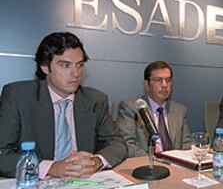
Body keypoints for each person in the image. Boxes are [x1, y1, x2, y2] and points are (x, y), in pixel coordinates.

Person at [0, 32, 128, 178]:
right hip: (36, 186)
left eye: (79, 65)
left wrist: (96, 162)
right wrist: (52, 168)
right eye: (65, 65)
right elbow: (2, 154)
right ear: (45, 67)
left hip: (83, 184)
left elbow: (117, 143)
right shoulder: (18, 97)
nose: (75, 74)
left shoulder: (95, 100)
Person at [116, 61, 192, 156]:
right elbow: (127, 144)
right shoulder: (131, 108)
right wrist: (153, 162)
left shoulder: (179, 110)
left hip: (175, 164)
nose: (164, 85)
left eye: (168, 80)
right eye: (158, 80)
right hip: (146, 164)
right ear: (147, 84)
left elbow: (186, 143)